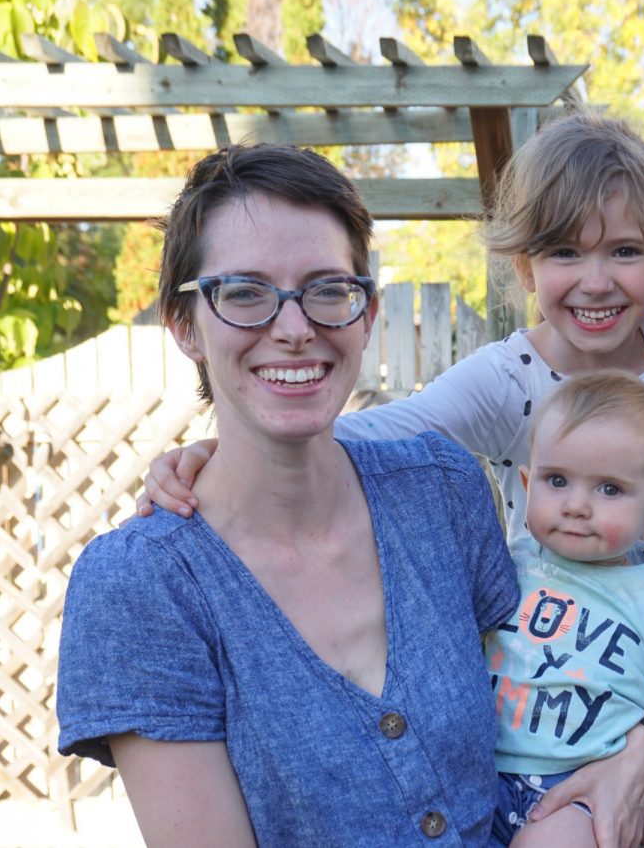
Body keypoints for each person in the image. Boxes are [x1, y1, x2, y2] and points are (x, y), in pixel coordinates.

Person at [135, 111, 644, 844]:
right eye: (565, 254)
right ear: (525, 266)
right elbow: (365, 432)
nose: (596, 282)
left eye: (624, 253)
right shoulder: (509, 379)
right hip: (551, 678)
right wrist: (211, 455)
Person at [55, 143, 520, 846]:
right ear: (184, 324)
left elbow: (549, 709)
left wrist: (616, 767)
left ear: (365, 313)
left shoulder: (444, 494)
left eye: (328, 289)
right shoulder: (143, 586)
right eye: (245, 293)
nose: (296, 328)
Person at [489, 369, 644, 847]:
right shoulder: (505, 567)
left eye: (609, 489)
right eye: (556, 480)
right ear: (526, 482)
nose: (577, 505)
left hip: (583, 785)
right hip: (479, 772)